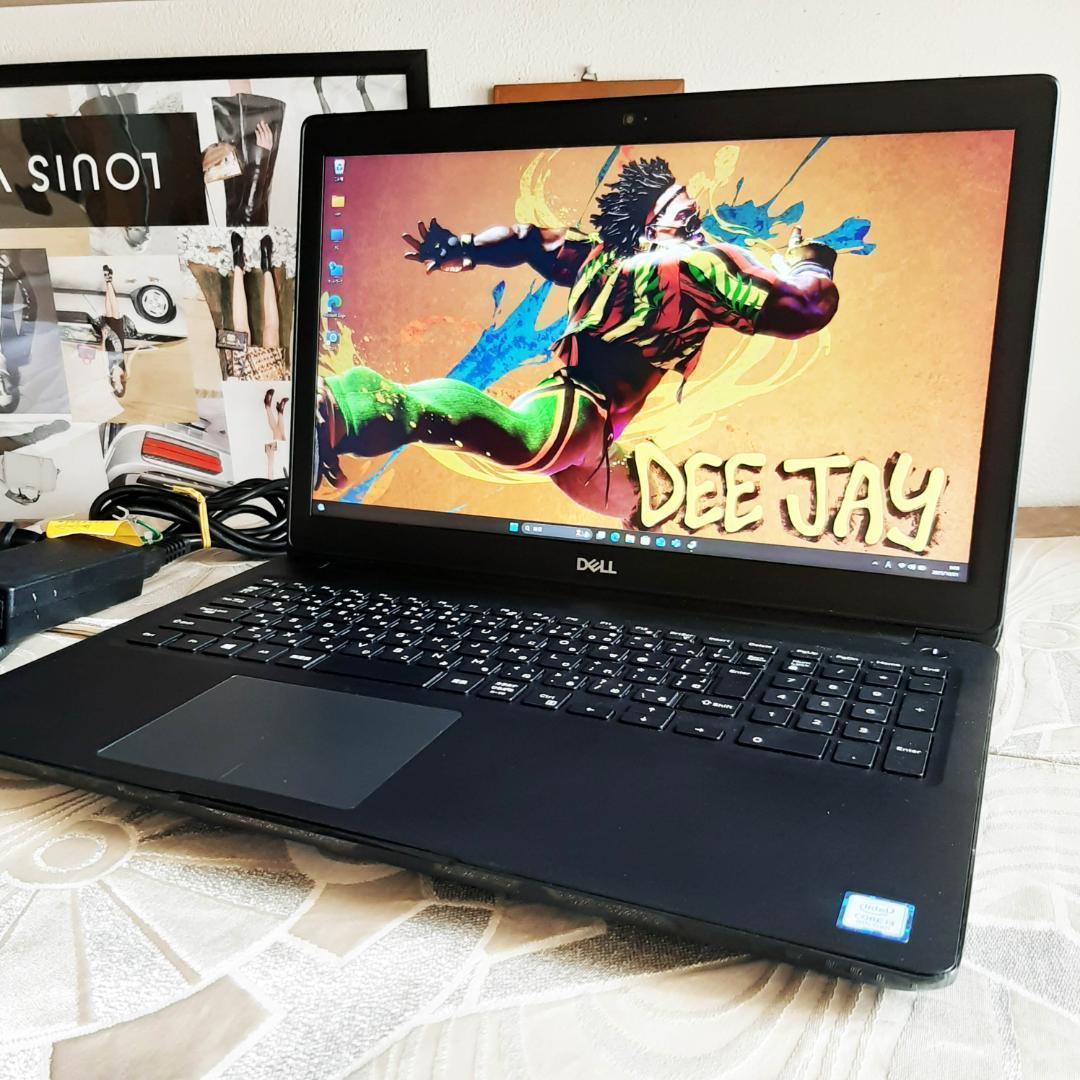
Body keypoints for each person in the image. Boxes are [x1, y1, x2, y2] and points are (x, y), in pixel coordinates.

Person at [316, 156, 840, 524]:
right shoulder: (694, 266)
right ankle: (352, 401)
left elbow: (528, 241)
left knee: (649, 507)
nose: (697, 228)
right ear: (655, 228)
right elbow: (805, 311)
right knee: (521, 441)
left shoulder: (597, 254)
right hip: (579, 411)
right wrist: (811, 263)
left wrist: (466, 247)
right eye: (685, 219)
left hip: (596, 439)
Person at [229, 231, 283, 378]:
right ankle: (266, 267)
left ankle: (238, 264)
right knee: (272, 332)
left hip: (243, 383)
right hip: (270, 383)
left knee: (241, 332)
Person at [263, 387, 288, 478]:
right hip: (283, 461)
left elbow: (270, 478)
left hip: (275, 460)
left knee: (278, 433)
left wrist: (270, 458)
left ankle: (269, 406)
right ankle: (279, 411)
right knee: (282, 435)